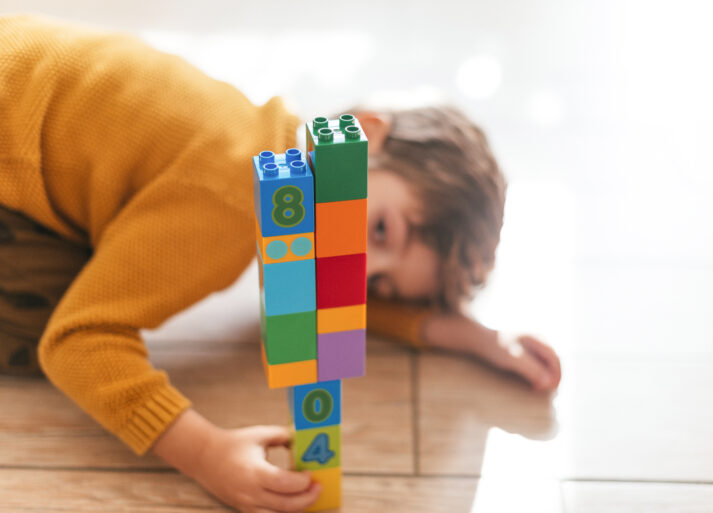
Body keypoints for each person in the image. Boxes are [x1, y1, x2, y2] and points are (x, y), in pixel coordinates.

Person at [0, 15, 561, 513]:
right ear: (362, 137)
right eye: (382, 229)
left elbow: (322, 293)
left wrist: (470, 336)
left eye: (380, 283)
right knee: (42, 319)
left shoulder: (271, 150)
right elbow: (77, 341)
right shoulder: (229, 198)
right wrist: (205, 453)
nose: (356, 270)